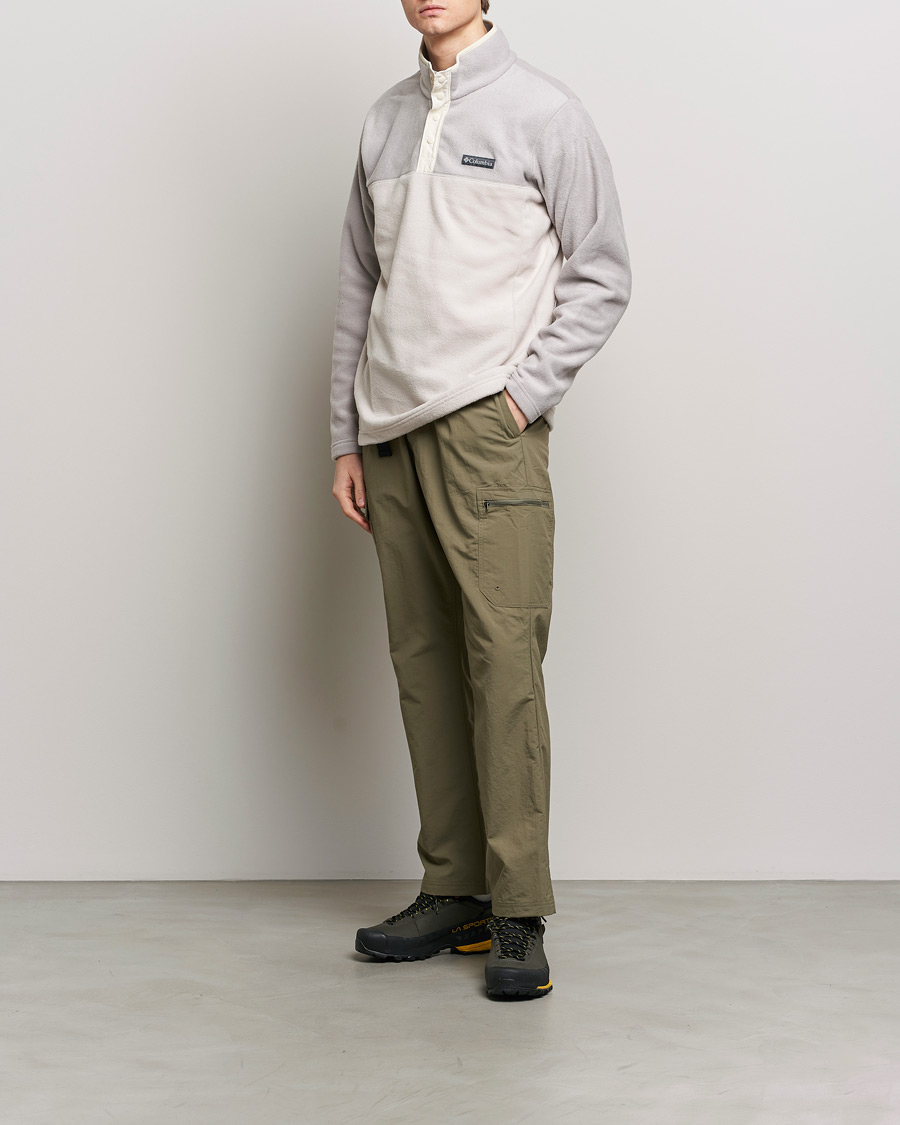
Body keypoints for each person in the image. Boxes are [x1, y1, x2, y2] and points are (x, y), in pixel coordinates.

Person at [329, 0, 631, 1000]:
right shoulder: (384, 118)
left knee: (504, 665)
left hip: (485, 431)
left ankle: (519, 908)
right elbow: (358, 286)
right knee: (423, 664)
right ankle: (452, 887)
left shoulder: (547, 112)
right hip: (389, 433)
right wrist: (345, 436)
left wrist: (522, 397)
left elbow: (602, 272)